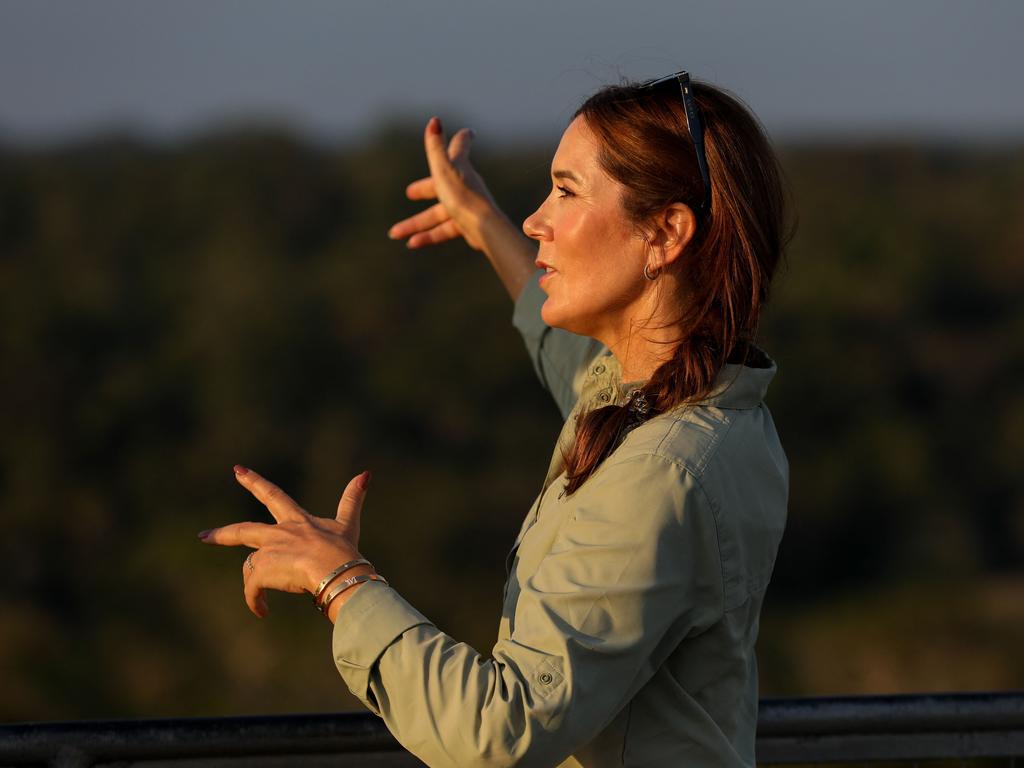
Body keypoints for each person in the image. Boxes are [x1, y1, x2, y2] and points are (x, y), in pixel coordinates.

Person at [199, 71, 790, 767]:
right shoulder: (703, 403)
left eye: (566, 191)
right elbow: (571, 358)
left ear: (664, 233)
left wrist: (342, 582)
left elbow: (502, 730)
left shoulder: (659, 471)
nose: (537, 218)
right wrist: (486, 226)